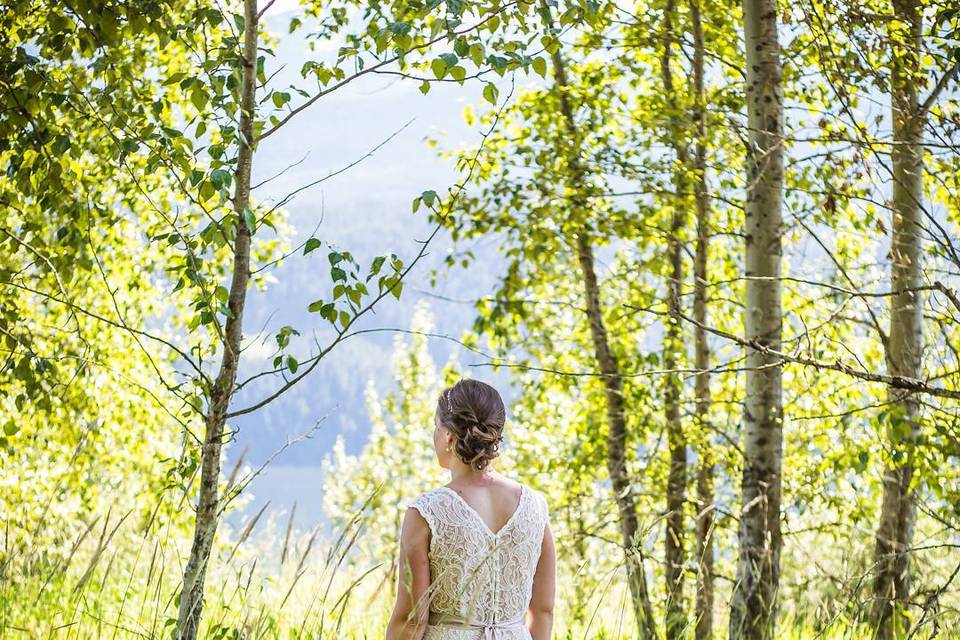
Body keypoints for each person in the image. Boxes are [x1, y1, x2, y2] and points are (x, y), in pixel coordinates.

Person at [385, 378, 556, 640]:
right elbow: (543, 611)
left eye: (435, 426)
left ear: (448, 436)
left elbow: (411, 621)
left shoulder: (427, 512)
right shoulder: (534, 506)